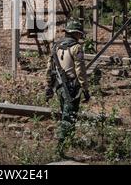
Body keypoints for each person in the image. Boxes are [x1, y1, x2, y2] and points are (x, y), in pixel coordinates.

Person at [46, 18, 91, 157]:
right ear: (76, 33)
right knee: (69, 117)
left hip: (59, 87)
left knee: (66, 114)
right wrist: (85, 89)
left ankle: (68, 141)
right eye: (79, 34)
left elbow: (49, 69)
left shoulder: (55, 46)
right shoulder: (76, 47)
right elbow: (80, 71)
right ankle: (60, 149)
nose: (80, 36)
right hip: (71, 88)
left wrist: (48, 86)